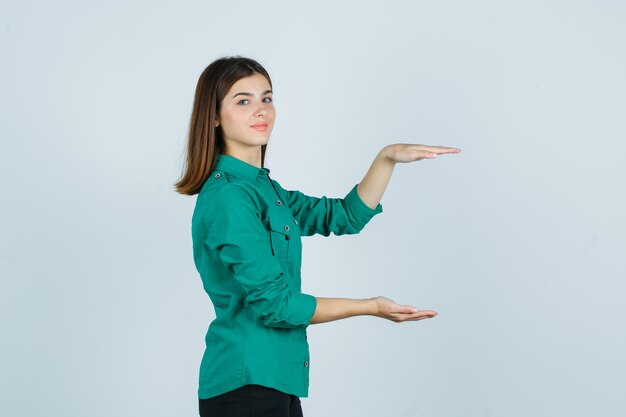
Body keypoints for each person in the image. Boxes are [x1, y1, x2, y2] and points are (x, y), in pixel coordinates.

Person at [175, 56, 461, 417]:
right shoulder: (230, 198)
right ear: (214, 116)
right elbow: (277, 305)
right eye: (243, 101)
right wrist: (369, 306)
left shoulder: (263, 188)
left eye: (267, 98)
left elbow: (343, 216)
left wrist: (386, 159)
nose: (261, 111)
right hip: (246, 386)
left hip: (275, 382)